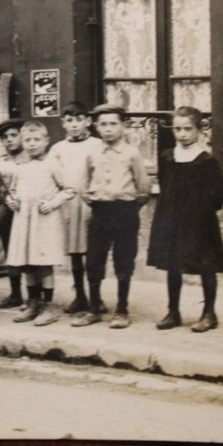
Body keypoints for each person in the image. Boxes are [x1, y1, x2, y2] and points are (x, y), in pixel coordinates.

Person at [147, 106, 223, 333]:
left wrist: (199, 212)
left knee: (206, 265)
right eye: (178, 129)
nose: (182, 134)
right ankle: (173, 311)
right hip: (172, 219)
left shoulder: (206, 161)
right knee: (173, 265)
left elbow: (217, 196)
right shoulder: (168, 157)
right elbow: (165, 184)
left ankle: (209, 313)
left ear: (199, 130)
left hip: (200, 222)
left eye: (187, 129)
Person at [72, 104, 150, 329]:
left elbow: (143, 188)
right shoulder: (93, 153)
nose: (108, 129)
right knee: (94, 260)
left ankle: (122, 310)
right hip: (100, 212)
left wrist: (127, 206)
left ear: (123, 126)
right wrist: (96, 201)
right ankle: (94, 308)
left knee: (123, 261)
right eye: (103, 124)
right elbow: (84, 184)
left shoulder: (132, 153)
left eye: (113, 124)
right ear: (96, 127)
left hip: (125, 212)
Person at [5, 121, 75, 326]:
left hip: (44, 221)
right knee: (27, 264)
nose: (32, 144)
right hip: (24, 221)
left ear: (46, 141)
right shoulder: (20, 166)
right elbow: (12, 192)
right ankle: (33, 303)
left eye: (37, 140)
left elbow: (69, 189)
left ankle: (48, 306)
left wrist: (52, 203)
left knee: (43, 264)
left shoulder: (52, 164)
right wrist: (12, 201)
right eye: (27, 140)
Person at [47, 101, 103, 314]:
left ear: (88, 122)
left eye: (79, 120)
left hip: (90, 204)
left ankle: (96, 297)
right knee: (75, 253)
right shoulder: (58, 149)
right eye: (70, 120)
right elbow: (51, 174)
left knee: (93, 251)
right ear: (63, 123)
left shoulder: (97, 145)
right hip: (68, 205)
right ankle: (80, 295)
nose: (74, 125)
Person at [0, 118, 26, 309]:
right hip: (8, 210)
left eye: (14, 135)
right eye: (5, 137)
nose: (10, 140)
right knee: (10, 250)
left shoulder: (31, 157)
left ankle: (35, 294)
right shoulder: (1, 162)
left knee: (29, 251)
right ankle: (15, 293)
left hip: (28, 210)